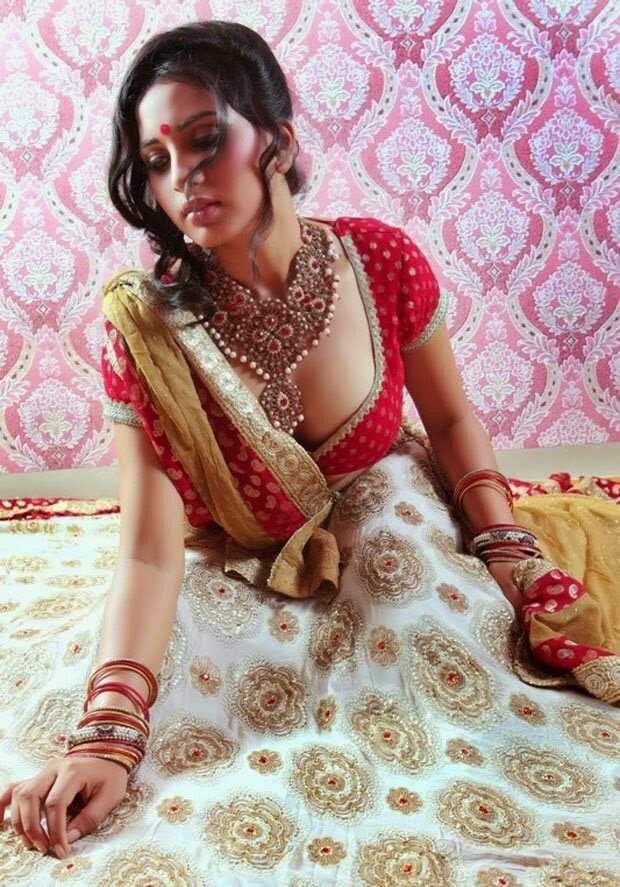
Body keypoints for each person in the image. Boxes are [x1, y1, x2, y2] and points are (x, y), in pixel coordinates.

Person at [1, 20, 617, 875]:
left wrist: (505, 545)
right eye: (155, 160)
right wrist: (108, 736)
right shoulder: (150, 331)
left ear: (280, 143)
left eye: (204, 140)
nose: (182, 178)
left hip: (387, 521)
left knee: (434, 627)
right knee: (190, 662)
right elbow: (147, 551)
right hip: (234, 558)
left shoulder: (380, 261)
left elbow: (449, 422)